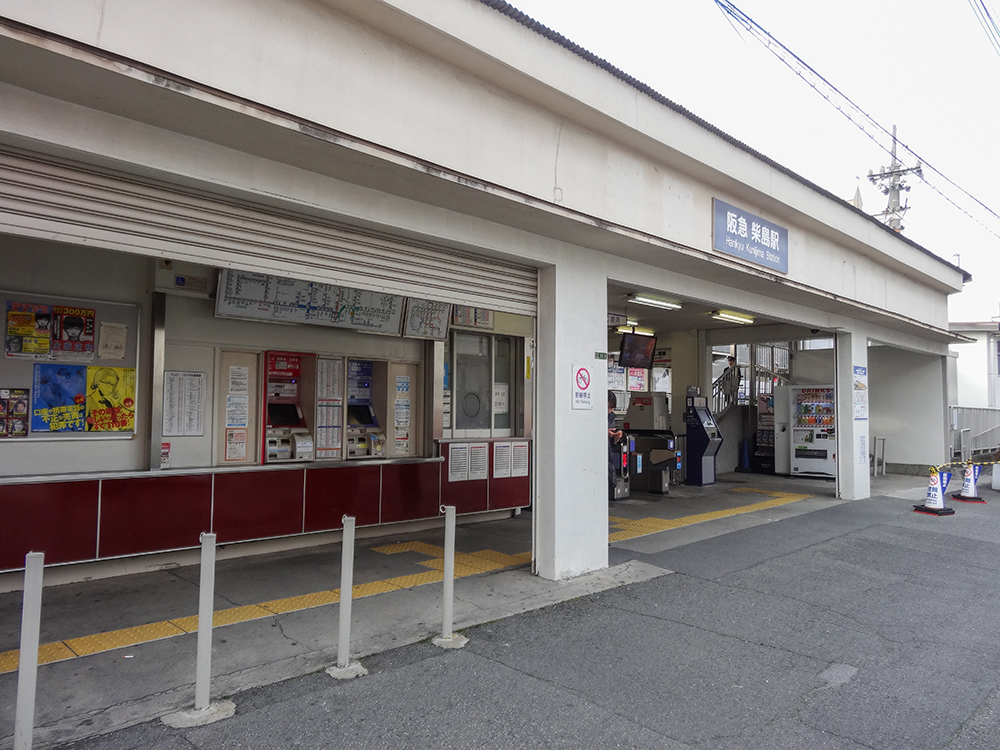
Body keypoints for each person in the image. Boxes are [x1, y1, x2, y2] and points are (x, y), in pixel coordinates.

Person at [608, 390, 623, 501]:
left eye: (612, 408)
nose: (610, 411)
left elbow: (611, 445)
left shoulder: (611, 417)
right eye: (608, 407)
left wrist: (615, 439)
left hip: (607, 457)